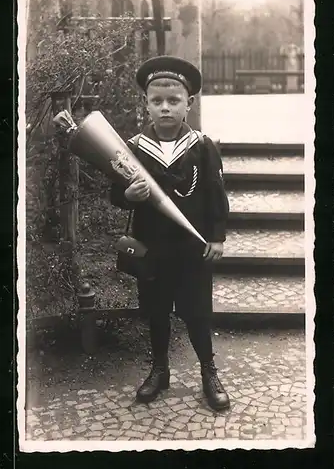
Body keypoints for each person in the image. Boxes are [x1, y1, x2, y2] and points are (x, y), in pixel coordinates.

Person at [110, 55, 230, 411]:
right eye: (157, 101)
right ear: (145, 104)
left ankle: (208, 371)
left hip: (192, 249)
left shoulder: (203, 147)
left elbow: (216, 196)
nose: (165, 108)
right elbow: (116, 192)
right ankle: (159, 370)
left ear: (189, 104)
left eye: (174, 101)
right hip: (153, 248)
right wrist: (126, 196)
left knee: (197, 312)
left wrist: (218, 236)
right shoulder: (132, 149)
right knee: (156, 311)